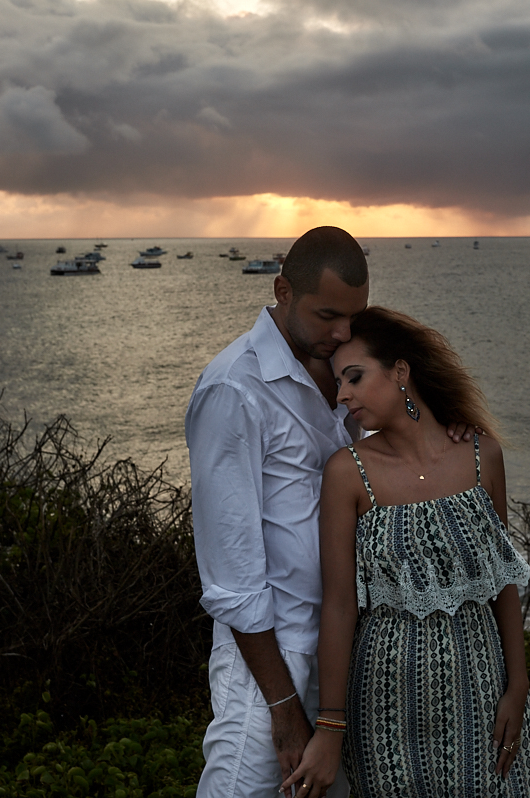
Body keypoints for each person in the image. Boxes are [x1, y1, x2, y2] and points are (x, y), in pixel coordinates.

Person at [185, 228, 474, 798]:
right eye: (327, 316)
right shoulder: (235, 390)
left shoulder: (343, 370)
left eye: (353, 316)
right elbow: (230, 576)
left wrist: (450, 433)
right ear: (283, 292)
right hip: (275, 658)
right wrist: (283, 707)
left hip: (350, 650)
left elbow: (399, 445)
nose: (342, 332)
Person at [283, 306, 530, 798]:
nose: (342, 396)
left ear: (400, 371)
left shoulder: (482, 455)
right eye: (338, 383)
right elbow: (339, 606)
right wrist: (331, 726)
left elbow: (503, 581)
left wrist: (518, 685)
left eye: (355, 377)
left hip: (483, 690)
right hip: (384, 708)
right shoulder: (347, 472)